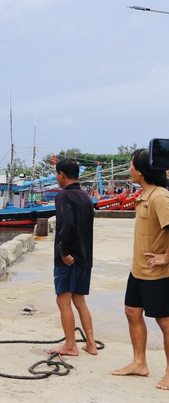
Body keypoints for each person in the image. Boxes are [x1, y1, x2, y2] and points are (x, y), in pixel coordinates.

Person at [112, 148, 169, 390]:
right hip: (138, 271)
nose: (129, 169)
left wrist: (166, 257)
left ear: (142, 171)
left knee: (165, 322)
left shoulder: (160, 197)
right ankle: (139, 363)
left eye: (131, 165)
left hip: (158, 274)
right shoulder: (144, 196)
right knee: (132, 312)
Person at [46, 158, 97, 356]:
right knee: (80, 300)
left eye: (57, 174)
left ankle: (70, 345)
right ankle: (91, 344)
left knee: (63, 300)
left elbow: (66, 225)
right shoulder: (85, 197)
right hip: (85, 256)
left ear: (61, 175)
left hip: (69, 258)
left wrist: (64, 252)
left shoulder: (63, 197)